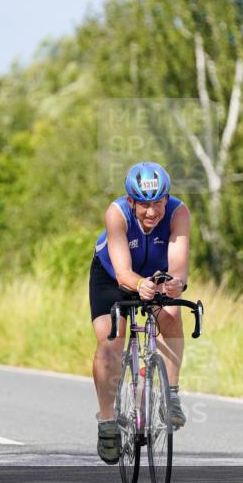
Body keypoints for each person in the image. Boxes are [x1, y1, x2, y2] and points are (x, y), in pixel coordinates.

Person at [90, 162, 191, 464]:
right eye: (144, 204)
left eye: (158, 202)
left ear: (166, 198)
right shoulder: (116, 213)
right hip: (112, 277)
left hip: (155, 274)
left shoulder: (178, 213)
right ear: (131, 201)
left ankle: (170, 396)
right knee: (111, 340)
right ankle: (108, 421)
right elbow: (123, 273)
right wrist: (138, 285)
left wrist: (175, 284)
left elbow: (178, 268)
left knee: (171, 315)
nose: (151, 212)